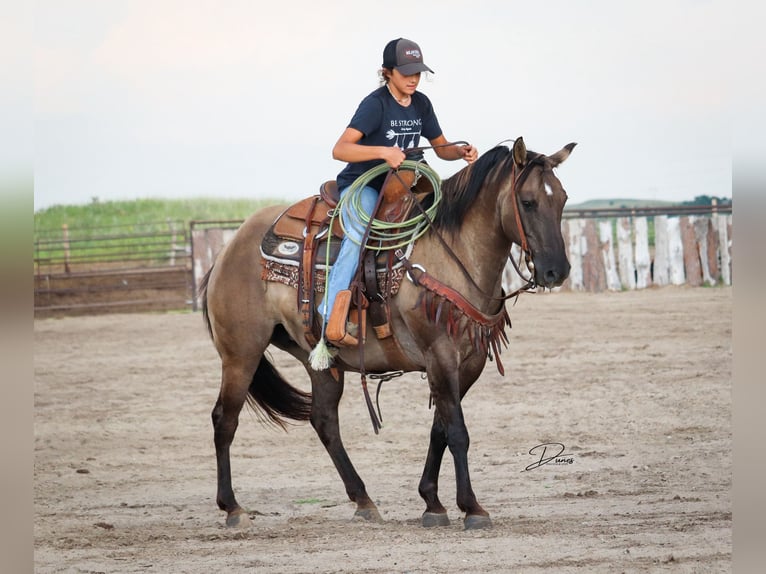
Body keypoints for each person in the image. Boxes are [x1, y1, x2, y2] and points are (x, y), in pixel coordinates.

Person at [314, 37, 478, 360]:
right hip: (365, 185)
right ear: (387, 72)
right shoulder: (375, 104)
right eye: (406, 72)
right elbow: (340, 149)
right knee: (360, 233)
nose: (413, 78)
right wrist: (382, 152)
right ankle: (329, 318)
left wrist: (459, 152)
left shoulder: (421, 104)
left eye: (417, 72)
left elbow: (440, 145)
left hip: (404, 183)